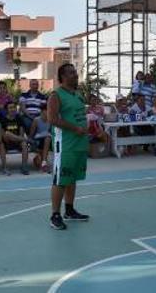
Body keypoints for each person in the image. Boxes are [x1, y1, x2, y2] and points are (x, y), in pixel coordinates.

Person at [48, 63, 90, 230]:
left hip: (79, 142)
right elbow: (52, 119)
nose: (75, 75)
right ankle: (54, 215)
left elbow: (79, 115)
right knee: (61, 179)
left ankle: (69, 210)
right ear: (63, 77)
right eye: (72, 73)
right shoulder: (55, 95)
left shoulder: (78, 94)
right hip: (65, 143)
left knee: (72, 177)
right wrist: (75, 128)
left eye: (75, 72)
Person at [1, 102, 30, 175]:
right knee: (7, 134)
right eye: (10, 108)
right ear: (7, 110)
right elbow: (3, 135)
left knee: (24, 144)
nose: (12, 109)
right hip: (7, 142)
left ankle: (24, 166)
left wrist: (18, 139)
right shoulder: (3, 120)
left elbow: (21, 133)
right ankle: (5, 168)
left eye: (14, 107)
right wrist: (12, 137)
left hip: (18, 141)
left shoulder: (19, 118)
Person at [29, 105, 52, 173]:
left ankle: (44, 161)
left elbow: (51, 132)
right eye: (46, 110)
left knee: (48, 138)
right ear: (42, 111)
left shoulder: (51, 120)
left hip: (48, 139)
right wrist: (32, 144)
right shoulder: (36, 120)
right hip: (38, 140)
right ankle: (42, 161)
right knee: (38, 161)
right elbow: (31, 134)